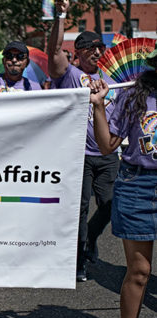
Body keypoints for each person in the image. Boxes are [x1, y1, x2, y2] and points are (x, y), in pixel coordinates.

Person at [88, 49, 157, 318]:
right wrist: (99, 105)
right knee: (140, 271)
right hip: (138, 187)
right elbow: (106, 146)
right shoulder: (134, 97)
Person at [48, 0, 120, 282]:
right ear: (77, 53)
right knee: (78, 208)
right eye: (89, 48)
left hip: (108, 154)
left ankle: (89, 239)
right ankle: (78, 261)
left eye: (99, 47)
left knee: (112, 203)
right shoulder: (69, 75)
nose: (96, 52)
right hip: (77, 155)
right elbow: (54, 51)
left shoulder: (111, 79)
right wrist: (61, 15)